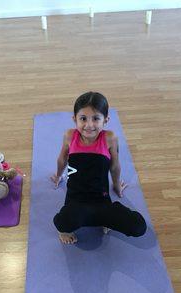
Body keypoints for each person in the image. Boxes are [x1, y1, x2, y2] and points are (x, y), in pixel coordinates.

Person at [51, 91, 147, 244]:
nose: (89, 125)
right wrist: (58, 176)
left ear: (106, 119)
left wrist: (116, 186)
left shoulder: (110, 138)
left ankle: (104, 220)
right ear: (74, 119)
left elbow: (115, 166)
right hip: (76, 201)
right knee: (63, 222)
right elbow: (62, 158)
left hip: (101, 201)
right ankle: (66, 229)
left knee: (139, 227)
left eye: (96, 118)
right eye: (83, 118)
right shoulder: (70, 136)